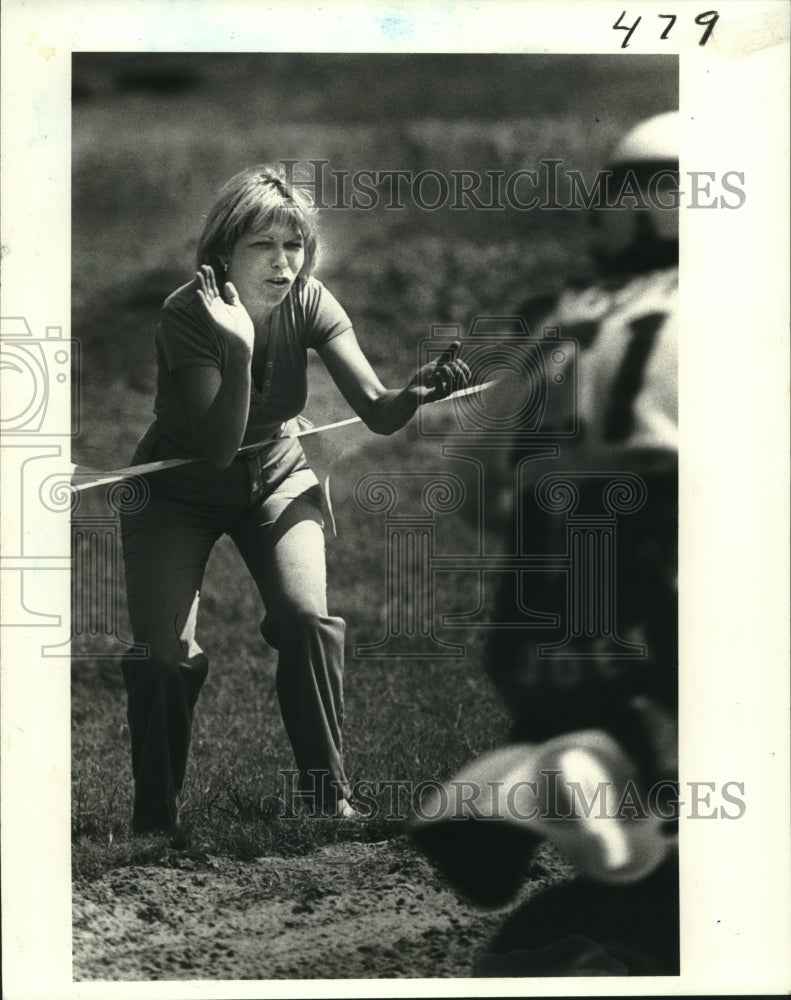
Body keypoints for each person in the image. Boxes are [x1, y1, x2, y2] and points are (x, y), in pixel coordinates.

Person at [119, 163, 470, 834]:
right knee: (165, 658)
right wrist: (241, 346)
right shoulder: (185, 314)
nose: (283, 264)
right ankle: (154, 817)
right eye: (263, 246)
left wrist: (415, 391)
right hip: (176, 494)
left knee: (308, 619)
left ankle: (326, 796)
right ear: (224, 251)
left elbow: (377, 411)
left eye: (294, 246)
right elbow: (218, 446)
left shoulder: (311, 299)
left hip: (276, 477)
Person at [410, 112, 680, 975]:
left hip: (541, 606)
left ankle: (569, 772)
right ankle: (618, 812)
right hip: (664, 580)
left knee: (627, 737)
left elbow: (466, 483)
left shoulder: (557, 325)